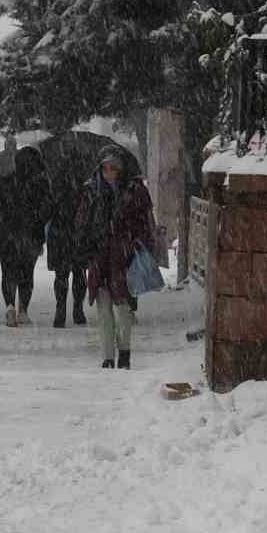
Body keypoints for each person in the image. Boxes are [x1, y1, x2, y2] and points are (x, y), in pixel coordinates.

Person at [78, 146, 153, 369]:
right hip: (99, 256)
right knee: (103, 308)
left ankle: (125, 353)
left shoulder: (134, 190)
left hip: (124, 257)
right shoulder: (91, 191)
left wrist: (137, 245)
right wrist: (86, 247)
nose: (108, 172)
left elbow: (145, 223)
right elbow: (82, 223)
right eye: (105, 168)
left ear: (121, 169)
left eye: (113, 168)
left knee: (122, 308)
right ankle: (108, 356)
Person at [0, 146, 51, 327]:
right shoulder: (40, 186)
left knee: (8, 271)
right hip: (30, 235)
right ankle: (23, 310)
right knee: (26, 273)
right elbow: (47, 210)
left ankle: (10, 306)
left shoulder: (7, 182)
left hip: (6, 234)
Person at [45, 175, 90, 329]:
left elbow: (48, 211)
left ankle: (61, 311)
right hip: (78, 236)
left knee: (62, 275)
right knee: (79, 273)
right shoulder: (84, 189)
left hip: (61, 237)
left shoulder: (56, 188)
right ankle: (77, 310)